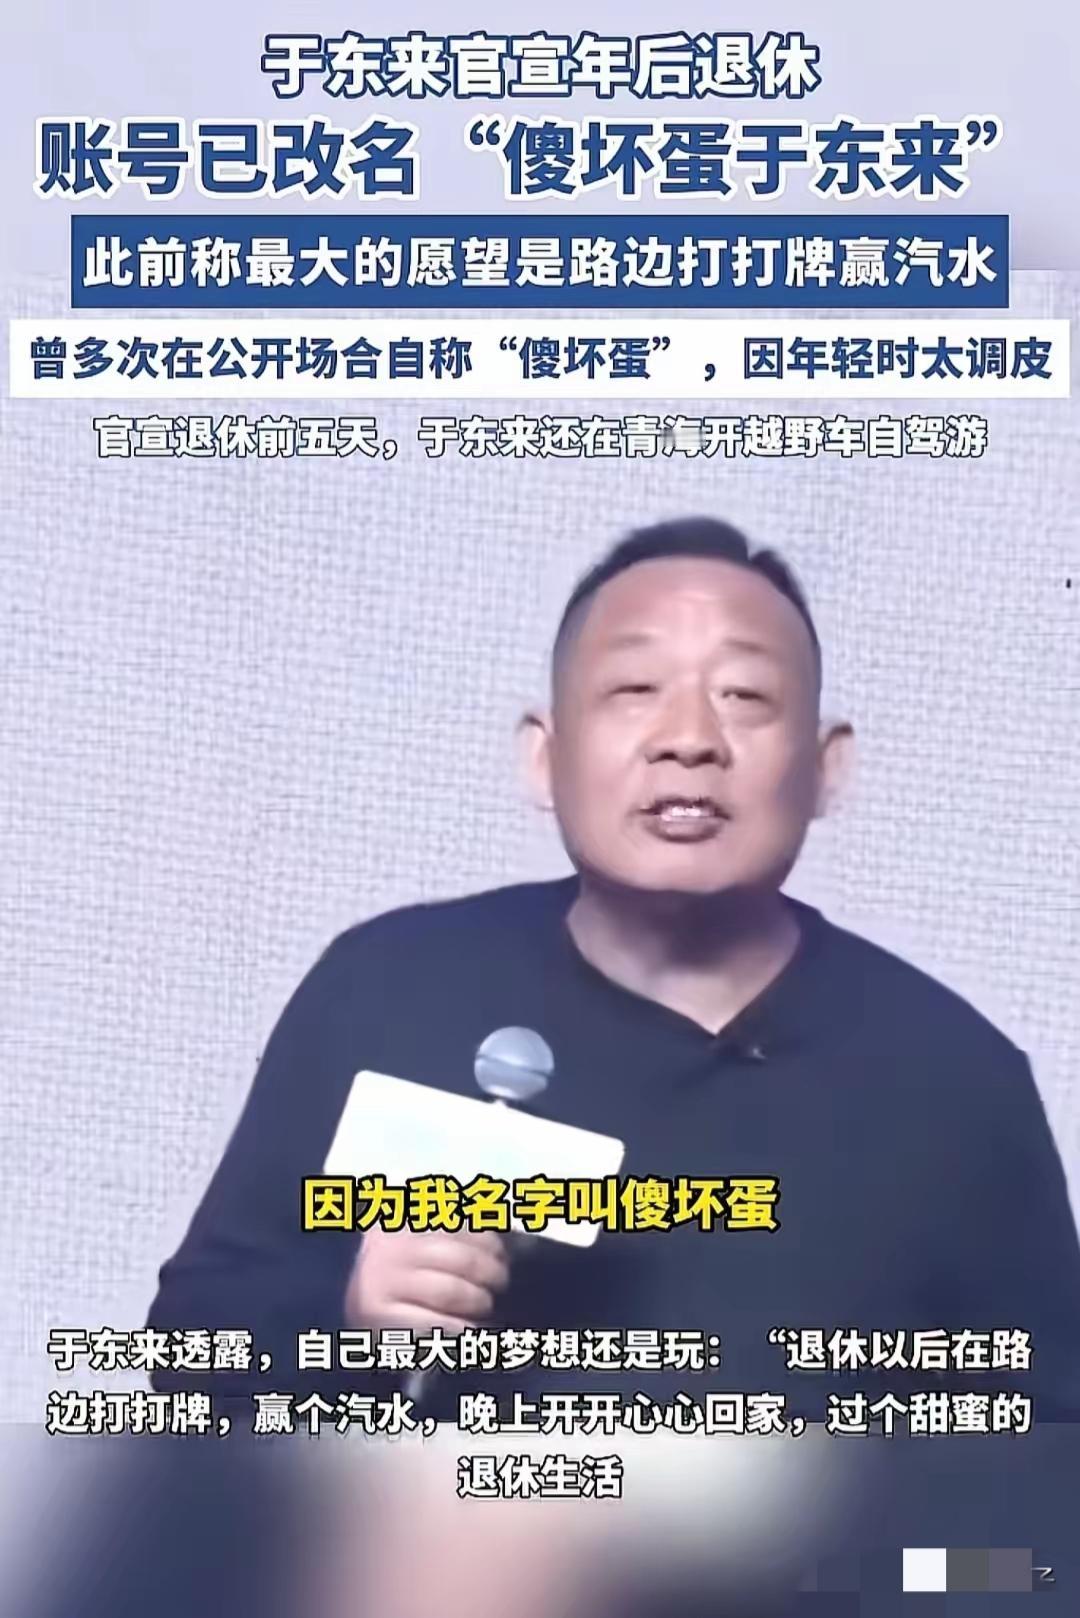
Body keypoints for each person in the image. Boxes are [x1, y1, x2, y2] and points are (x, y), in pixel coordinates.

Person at [148, 516, 1080, 1424]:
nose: (689, 738)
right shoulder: (388, 989)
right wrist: (348, 1327)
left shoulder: (957, 1078)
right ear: (544, 758)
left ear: (826, 769)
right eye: (635, 688)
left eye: (745, 696)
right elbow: (191, 1356)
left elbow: (1048, 1455)